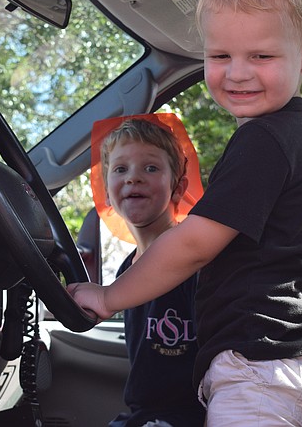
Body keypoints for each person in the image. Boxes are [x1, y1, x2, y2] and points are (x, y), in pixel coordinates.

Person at [69, 0, 302, 426]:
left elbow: (195, 245)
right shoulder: (294, 136)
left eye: (261, 55)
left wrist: (108, 297)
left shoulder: (265, 140)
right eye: (220, 54)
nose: (237, 72)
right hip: (298, 368)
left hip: (264, 373)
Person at [90, 114, 206, 427]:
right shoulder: (127, 269)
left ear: (178, 188)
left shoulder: (191, 259)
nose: (133, 178)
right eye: (120, 169)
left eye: (151, 168)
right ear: (107, 191)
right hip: (145, 415)